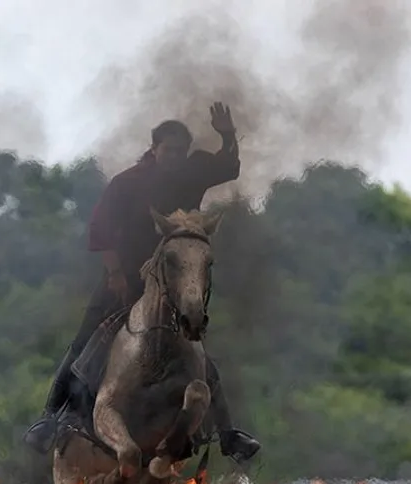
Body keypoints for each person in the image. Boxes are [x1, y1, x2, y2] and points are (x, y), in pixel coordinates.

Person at [21, 103, 260, 464]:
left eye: (180, 151)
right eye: (168, 150)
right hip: (127, 276)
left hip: (173, 280)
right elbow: (100, 232)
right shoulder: (128, 182)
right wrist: (116, 274)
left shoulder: (192, 172)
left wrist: (227, 133)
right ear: (154, 149)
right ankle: (49, 418)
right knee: (86, 340)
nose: (175, 157)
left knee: (197, 350)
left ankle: (227, 433)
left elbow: (230, 166)